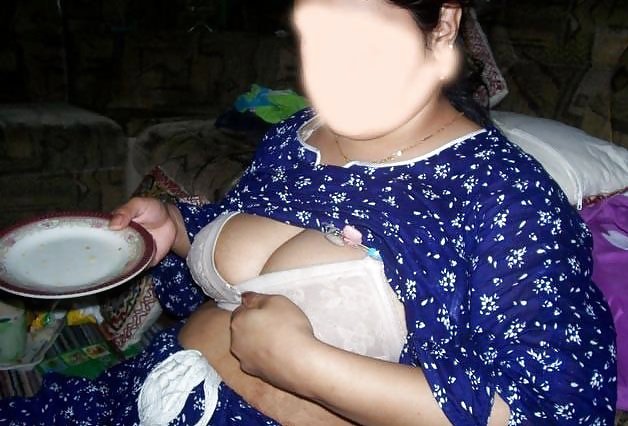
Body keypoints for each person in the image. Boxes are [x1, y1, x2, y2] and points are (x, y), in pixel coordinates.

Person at [0, 0, 617, 424]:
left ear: (442, 26)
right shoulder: (298, 135)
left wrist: (308, 367)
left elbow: (554, 409)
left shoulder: (507, 198)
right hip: (145, 392)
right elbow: (253, 254)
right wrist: (180, 231)